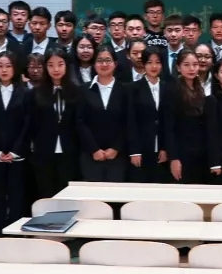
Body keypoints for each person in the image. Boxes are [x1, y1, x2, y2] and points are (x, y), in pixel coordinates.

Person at [0, 51, 29, 237]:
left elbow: (27, 125)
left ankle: (16, 237)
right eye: (0, 66)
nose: (4, 70)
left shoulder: (25, 93)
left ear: (15, 68)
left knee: (17, 200)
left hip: (18, 156)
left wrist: (15, 151)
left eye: (8, 66)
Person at [27, 48, 80, 198]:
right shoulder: (35, 93)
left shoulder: (77, 91)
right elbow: (31, 124)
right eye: (51, 65)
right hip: (44, 152)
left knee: (67, 195)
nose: (56, 69)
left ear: (67, 66)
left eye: (60, 64)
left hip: (70, 152)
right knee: (46, 194)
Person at [76, 44, 128, 182]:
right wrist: (94, 149)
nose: (104, 64)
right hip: (90, 155)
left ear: (115, 64)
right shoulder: (83, 90)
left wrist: (116, 148)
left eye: (108, 60)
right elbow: (79, 122)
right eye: (99, 60)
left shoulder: (125, 90)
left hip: (118, 156)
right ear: (94, 64)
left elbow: (127, 121)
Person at [127, 48, 173, 184]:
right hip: (141, 149)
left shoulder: (168, 88)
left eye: (157, 62)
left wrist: (165, 148)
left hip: (162, 151)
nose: (154, 66)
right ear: (143, 64)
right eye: (149, 62)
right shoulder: (133, 88)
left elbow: (168, 122)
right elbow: (131, 121)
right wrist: (134, 151)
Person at [169, 49, 207, 184]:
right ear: (178, 67)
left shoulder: (199, 89)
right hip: (182, 152)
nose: (192, 69)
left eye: (195, 64)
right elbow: (169, 127)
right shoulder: (173, 90)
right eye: (186, 65)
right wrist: (174, 158)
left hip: (200, 151)